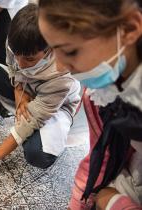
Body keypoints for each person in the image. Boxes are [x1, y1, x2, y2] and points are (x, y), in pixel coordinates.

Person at [0, 4, 81, 185]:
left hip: (58, 105)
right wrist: (19, 93)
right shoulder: (17, 43)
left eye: (29, 59)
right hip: (27, 88)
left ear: (50, 48)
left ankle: (57, 137)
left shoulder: (62, 75)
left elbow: (28, 124)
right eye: (17, 55)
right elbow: (16, 72)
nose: (21, 63)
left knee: (37, 154)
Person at [38, 0, 142, 209]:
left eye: (70, 51)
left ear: (129, 28)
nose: (59, 67)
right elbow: (101, 153)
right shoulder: (101, 94)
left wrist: (115, 203)